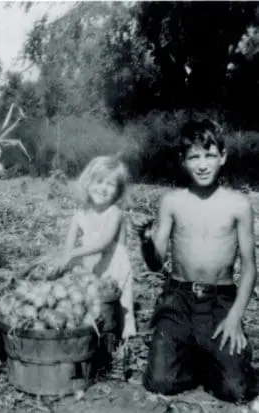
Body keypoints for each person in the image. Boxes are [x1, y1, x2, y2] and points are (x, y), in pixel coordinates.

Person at [133, 119, 257, 402]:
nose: (202, 165)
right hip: (178, 299)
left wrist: (235, 316)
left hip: (220, 300)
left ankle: (214, 356)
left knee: (236, 390)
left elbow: (250, 267)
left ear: (223, 157)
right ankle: (197, 354)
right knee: (160, 382)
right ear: (183, 161)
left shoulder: (238, 204)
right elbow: (155, 263)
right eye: (194, 157)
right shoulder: (172, 202)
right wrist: (145, 241)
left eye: (210, 155)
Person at [52, 155, 137, 341]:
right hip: (92, 264)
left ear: (118, 191)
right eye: (98, 181)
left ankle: (126, 335)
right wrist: (62, 262)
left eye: (110, 184)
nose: (103, 188)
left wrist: (74, 253)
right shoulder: (79, 214)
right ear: (88, 183)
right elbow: (68, 246)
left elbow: (103, 243)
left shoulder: (115, 213)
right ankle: (98, 334)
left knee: (121, 302)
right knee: (94, 300)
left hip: (115, 265)